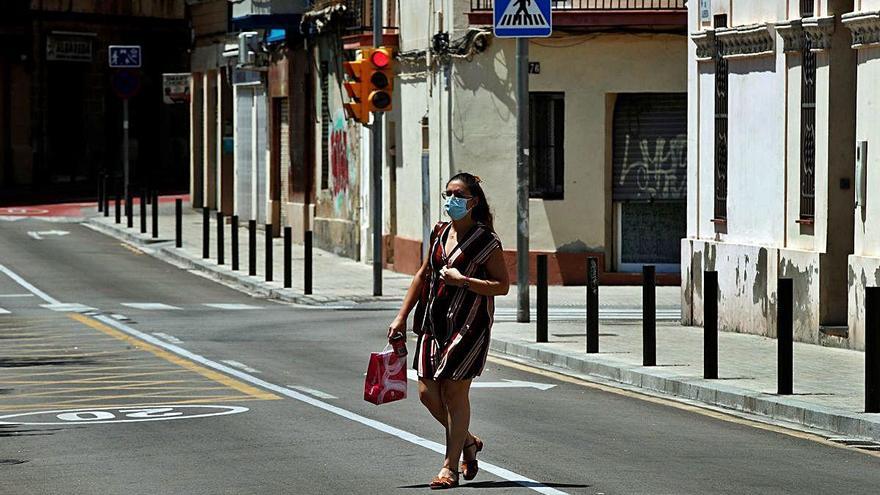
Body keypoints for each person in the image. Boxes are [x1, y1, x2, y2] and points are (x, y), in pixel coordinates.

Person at [388, 172, 510, 490]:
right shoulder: (439, 233)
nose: (451, 200)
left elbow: (502, 286)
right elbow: (422, 274)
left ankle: (449, 467)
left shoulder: (486, 241)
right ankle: (468, 441)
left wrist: (464, 281)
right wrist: (401, 317)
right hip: (433, 322)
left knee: (455, 394)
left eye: (458, 195)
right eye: (447, 194)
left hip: (469, 325)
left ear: (474, 201)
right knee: (428, 395)